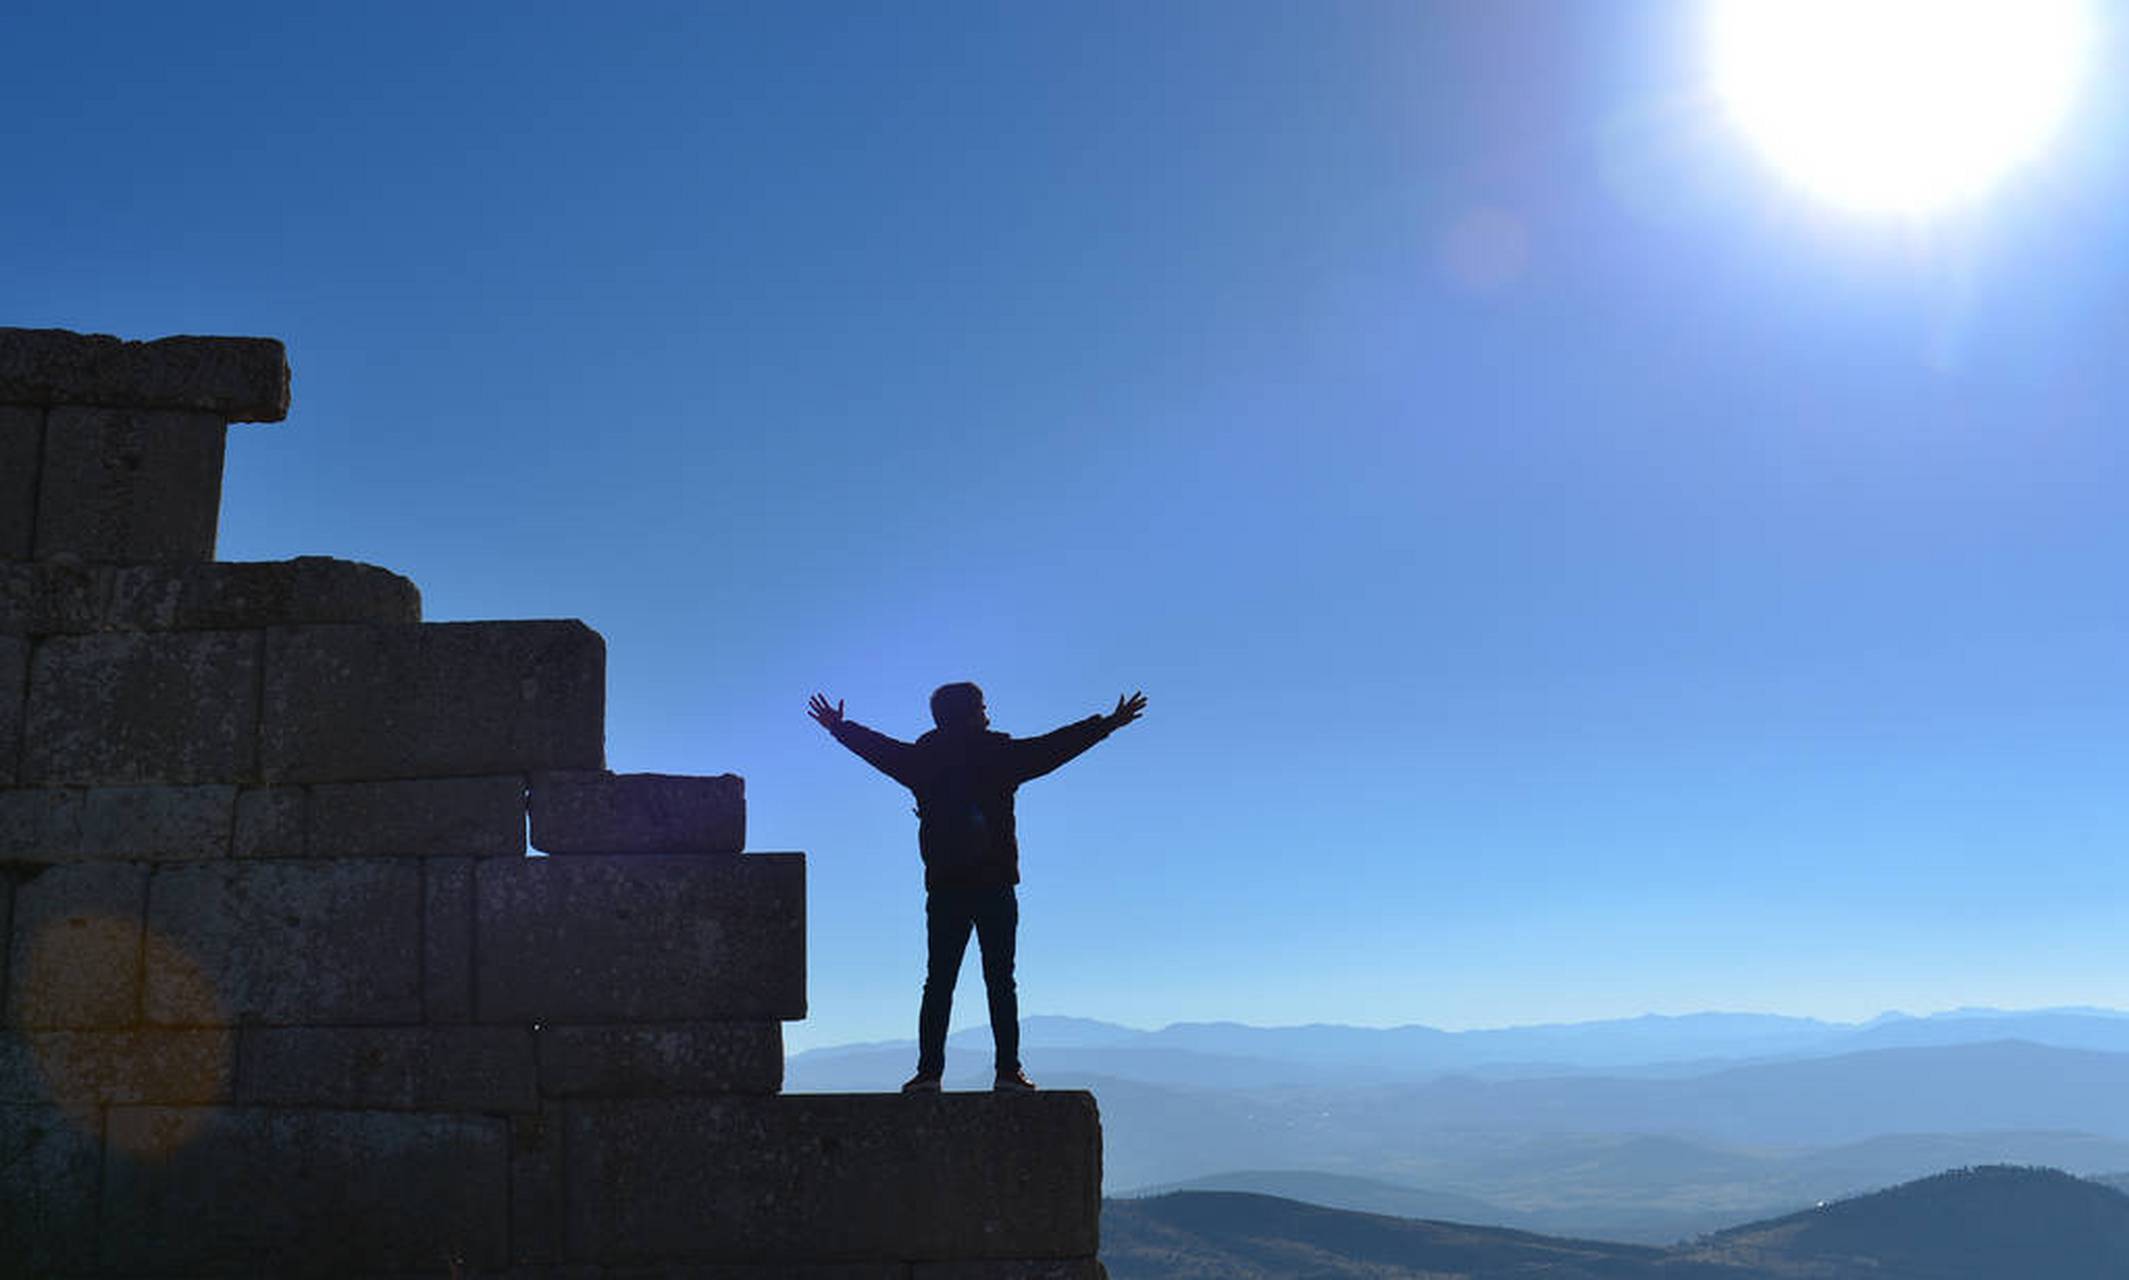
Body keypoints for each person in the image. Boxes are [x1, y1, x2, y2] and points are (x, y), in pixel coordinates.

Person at [809, 682, 1146, 1093]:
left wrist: (839, 728)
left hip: (946, 887)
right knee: (1000, 980)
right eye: (984, 707)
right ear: (971, 713)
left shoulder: (923, 761)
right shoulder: (999, 755)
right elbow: (1054, 748)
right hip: (995, 884)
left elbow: (880, 750)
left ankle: (929, 1074)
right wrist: (1107, 724)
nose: (989, 713)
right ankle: (1008, 1072)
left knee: (939, 982)